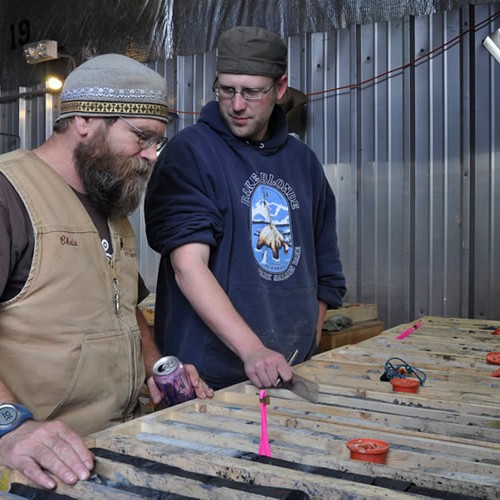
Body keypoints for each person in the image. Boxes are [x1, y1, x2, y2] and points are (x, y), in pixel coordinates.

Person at [0, 53, 213, 490]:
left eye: (158, 142)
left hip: (112, 447)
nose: (152, 156)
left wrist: (158, 368)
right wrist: (9, 425)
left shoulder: (110, 203)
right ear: (84, 120)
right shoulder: (9, 194)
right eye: (141, 137)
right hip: (35, 467)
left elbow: (123, 305)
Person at [145, 26, 346, 391]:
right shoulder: (190, 153)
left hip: (290, 370)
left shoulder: (304, 162)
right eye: (227, 90)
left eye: (252, 92)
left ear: (280, 88)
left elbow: (325, 267)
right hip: (210, 378)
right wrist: (253, 350)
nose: (237, 105)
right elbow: (188, 266)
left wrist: (308, 338)